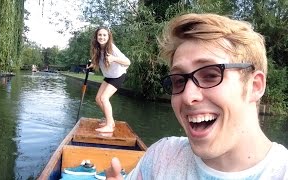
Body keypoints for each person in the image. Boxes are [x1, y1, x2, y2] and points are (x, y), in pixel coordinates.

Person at [105, 13, 288, 179]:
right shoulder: (161, 158)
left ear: (255, 86)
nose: (187, 96)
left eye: (210, 75)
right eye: (178, 80)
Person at [88, 27, 131, 133]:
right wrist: (92, 65)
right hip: (109, 76)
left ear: (108, 37)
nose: (102, 37)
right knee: (98, 99)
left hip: (118, 76)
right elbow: (100, 61)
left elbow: (128, 62)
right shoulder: (97, 48)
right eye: (100, 35)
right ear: (96, 36)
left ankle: (109, 125)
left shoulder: (112, 48)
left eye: (104, 35)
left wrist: (114, 59)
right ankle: (110, 121)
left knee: (104, 98)